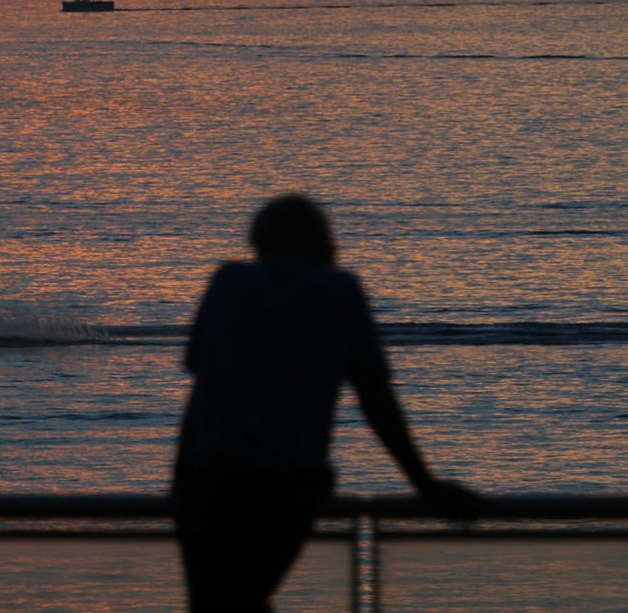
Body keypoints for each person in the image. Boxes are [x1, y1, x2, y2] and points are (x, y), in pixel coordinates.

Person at [174, 195, 478, 611]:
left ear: (258, 242)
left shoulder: (226, 283)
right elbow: (375, 398)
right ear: (325, 245)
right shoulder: (340, 291)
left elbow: (200, 398)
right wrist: (424, 484)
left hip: (213, 484)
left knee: (222, 602)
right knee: (239, 600)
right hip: (289, 489)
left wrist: (180, 493)